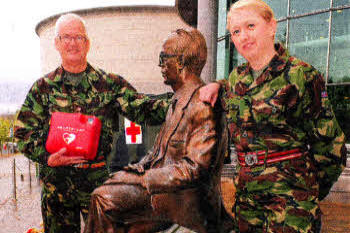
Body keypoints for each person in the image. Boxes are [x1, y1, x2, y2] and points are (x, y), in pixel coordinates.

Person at [14, 13, 170, 233]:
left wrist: (183, 101)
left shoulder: (109, 84)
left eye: (78, 37)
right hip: (57, 188)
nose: (72, 43)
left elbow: (143, 108)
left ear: (87, 44)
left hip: (96, 187)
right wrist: (48, 157)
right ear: (57, 43)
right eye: (66, 37)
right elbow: (23, 134)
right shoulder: (43, 88)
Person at [199, 0, 347, 232]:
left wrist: (305, 191)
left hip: (290, 208)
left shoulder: (301, 76)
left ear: (271, 26)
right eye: (236, 32)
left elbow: (332, 149)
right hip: (248, 206)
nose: (243, 36)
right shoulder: (236, 79)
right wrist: (217, 85)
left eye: (250, 26)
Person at [83, 28, 229, 233]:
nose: (160, 65)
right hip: (164, 193)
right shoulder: (177, 100)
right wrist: (135, 170)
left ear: (180, 62)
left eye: (163, 58)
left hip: (184, 204)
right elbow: (158, 154)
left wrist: (141, 180)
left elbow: (195, 168)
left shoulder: (202, 104)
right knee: (108, 187)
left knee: (103, 199)